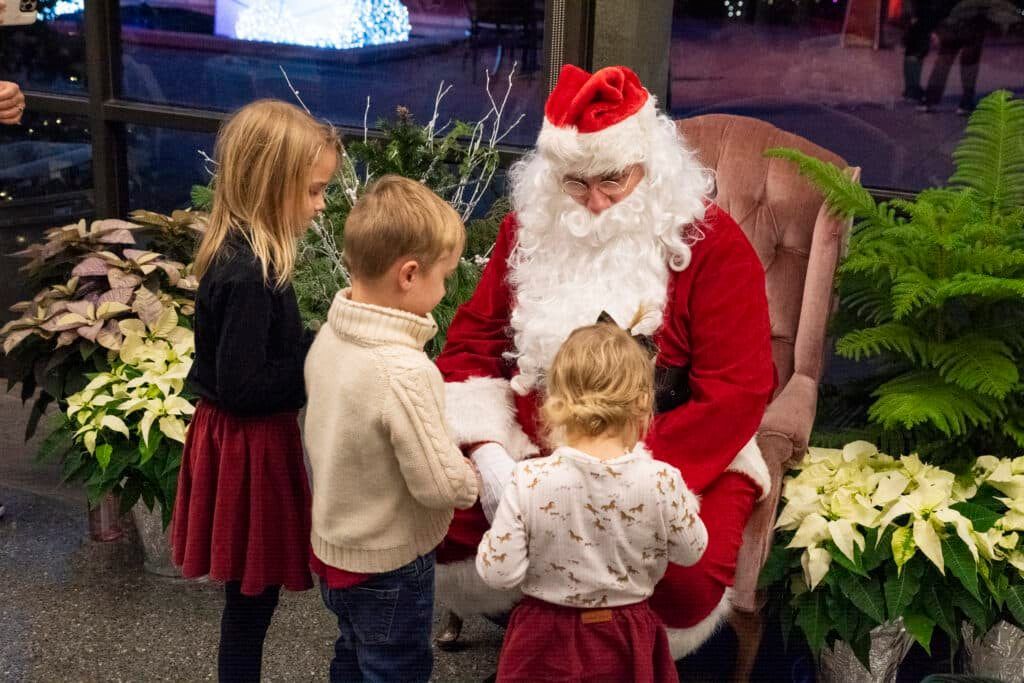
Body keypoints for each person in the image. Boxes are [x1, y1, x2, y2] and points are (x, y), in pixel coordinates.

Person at [434, 63, 776, 659]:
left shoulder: (714, 247)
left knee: (684, 585)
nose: (594, 202)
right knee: (441, 525)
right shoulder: (528, 229)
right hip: (535, 435)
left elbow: (737, 391)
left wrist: (611, 484)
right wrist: (488, 456)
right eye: (576, 182)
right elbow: (470, 343)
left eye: (613, 179)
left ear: (652, 163)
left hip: (672, 441)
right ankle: (544, 638)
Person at [170, 99, 339, 683]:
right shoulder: (249, 273)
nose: (320, 207)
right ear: (271, 184)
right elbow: (244, 385)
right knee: (250, 603)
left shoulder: (248, 253)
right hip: (248, 447)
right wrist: (317, 358)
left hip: (242, 440)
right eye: (314, 192)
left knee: (251, 602)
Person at [303, 175, 480, 683]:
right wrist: (471, 479)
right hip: (390, 566)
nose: (445, 289)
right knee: (395, 668)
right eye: (443, 276)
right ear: (409, 274)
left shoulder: (331, 337)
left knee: (352, 654)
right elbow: (438, 483)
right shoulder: (403, 370)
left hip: (334, 550)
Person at [477, 321, 708, 682]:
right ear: (644, 403)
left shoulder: (529, 480)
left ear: (556, 401)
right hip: (626, 636)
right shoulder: (661, 482)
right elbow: (692, 550)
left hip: (544, 637)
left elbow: (498, 572)